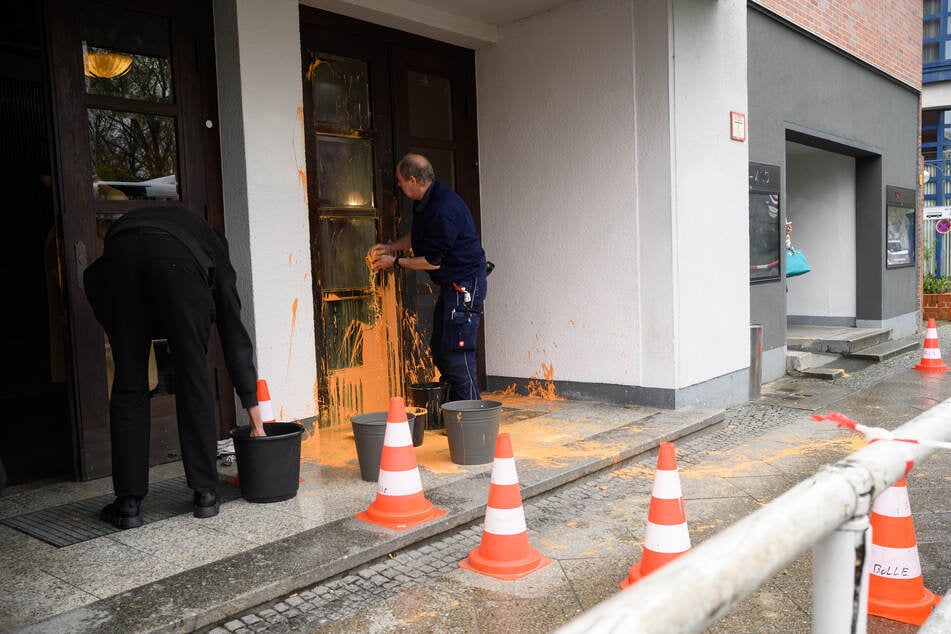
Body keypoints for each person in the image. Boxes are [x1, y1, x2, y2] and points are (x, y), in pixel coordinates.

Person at [83, 205, 265, 529]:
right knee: (192, 374)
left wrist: (127, 335)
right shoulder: (212, 247)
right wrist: (255, 416)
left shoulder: (166, 228)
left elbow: (94, 278)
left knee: (129, 378)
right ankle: (206, 493)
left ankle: (128, 505)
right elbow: (232, 331)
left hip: (119, 257)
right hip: (176, 266)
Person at [369, 153, 487, 401]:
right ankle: (454, 406)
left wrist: (395, 262)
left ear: (412, 179)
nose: (398, 185)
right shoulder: (428, 201)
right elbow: (419, 236)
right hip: (451, 284)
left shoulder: (443, 208)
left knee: (457, 352)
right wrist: (391, 247)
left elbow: (433, 262)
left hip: (465, 285)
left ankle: (470, 414)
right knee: (441, 347)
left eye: (400, 180)